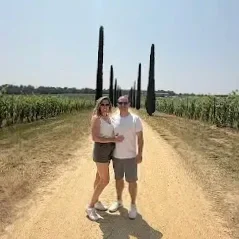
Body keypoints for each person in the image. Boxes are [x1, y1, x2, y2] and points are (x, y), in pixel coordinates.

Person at [86, 96, 124, 221]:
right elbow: (95, 138)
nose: (105, 107)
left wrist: (117, 136)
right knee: (105, 180)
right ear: (99, 106)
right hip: (101, 150)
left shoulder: (109, 118)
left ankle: (96, 202)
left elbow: (111, 133)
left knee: (99, 177)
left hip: (109, 150)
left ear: (110, 106)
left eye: (107, 104)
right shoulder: (96, 118)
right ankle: (90, 207)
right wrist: (113, 139)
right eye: (102, 104)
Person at [109, 95, 144, 219]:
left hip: (130, 157)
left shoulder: (135, 119)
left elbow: (140, 138)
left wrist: (139, 154)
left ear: (129, 104)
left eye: (125, 103)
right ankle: (119, 201)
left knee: (132, 182)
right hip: (116, 157)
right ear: (117, 104)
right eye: (120, 103)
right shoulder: (112, 119)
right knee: (118, 180)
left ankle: (133, 205)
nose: (123, 105)